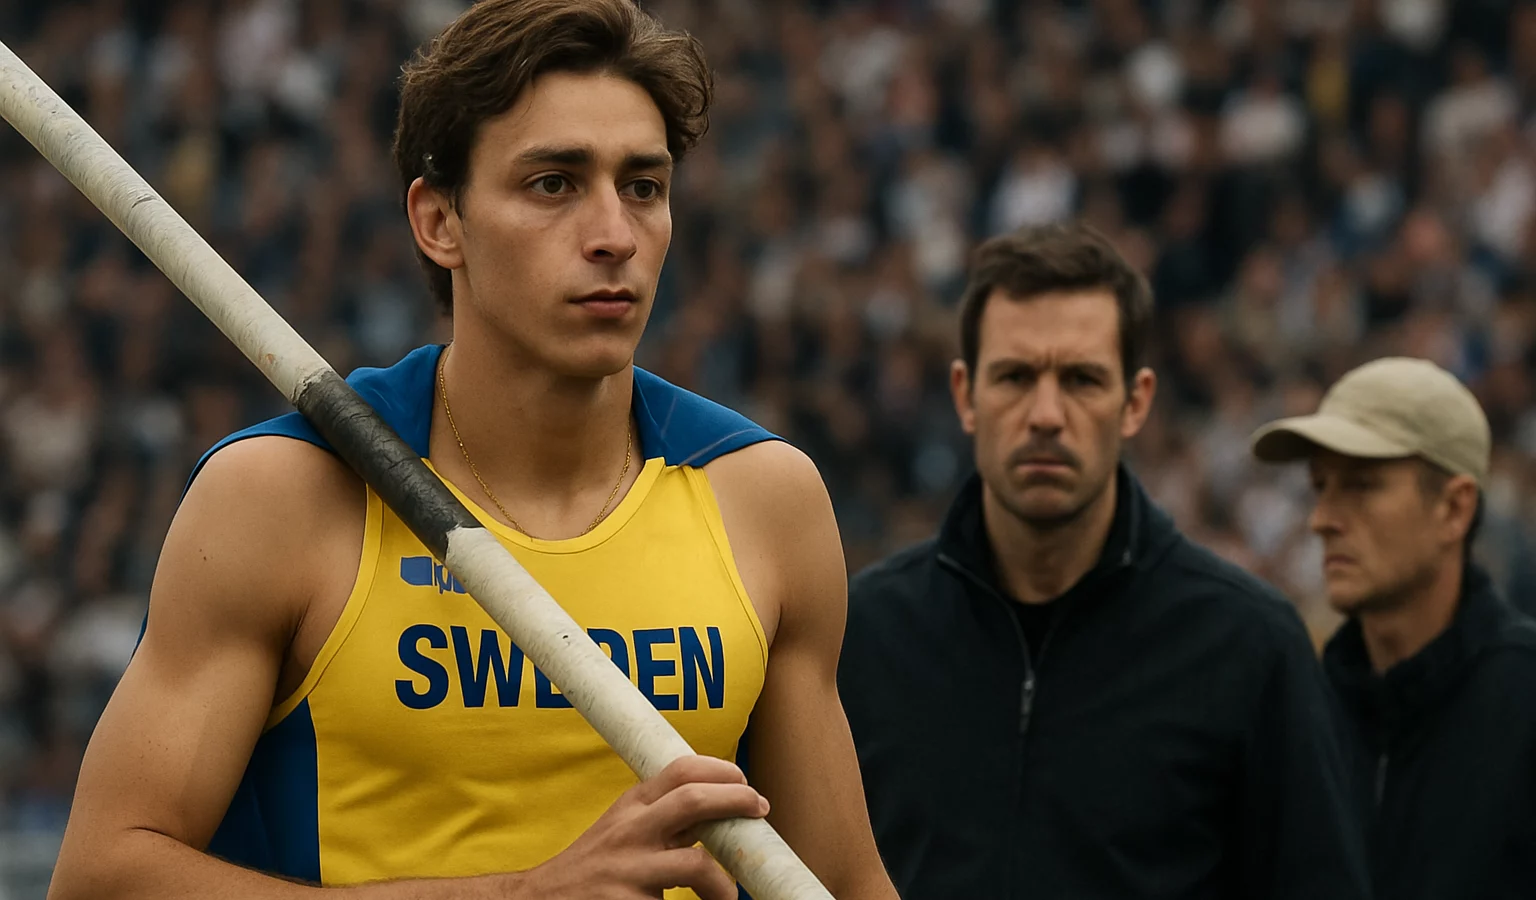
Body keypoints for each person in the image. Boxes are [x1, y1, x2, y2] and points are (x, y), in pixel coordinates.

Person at [45, 2, 898, 899]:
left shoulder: (763, 497)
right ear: (439, 220)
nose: (614, 235)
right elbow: (102, 879)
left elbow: (841, 881)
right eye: (554, 184)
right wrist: (521, 895)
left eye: (643, 186)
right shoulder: (286, 495)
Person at [836, 221, 1371, 899]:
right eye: (1015, 377)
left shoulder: (1248, 647)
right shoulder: (866, 635)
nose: (1046, 414)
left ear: (1136, 401)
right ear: (966, 395)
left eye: (1082, 379)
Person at [1250, 357, 1536, 900]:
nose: (1322, 519)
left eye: (1361, 486)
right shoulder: (1302, 715)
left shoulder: (1522, 701)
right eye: (1320, 486)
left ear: (1454, 508)